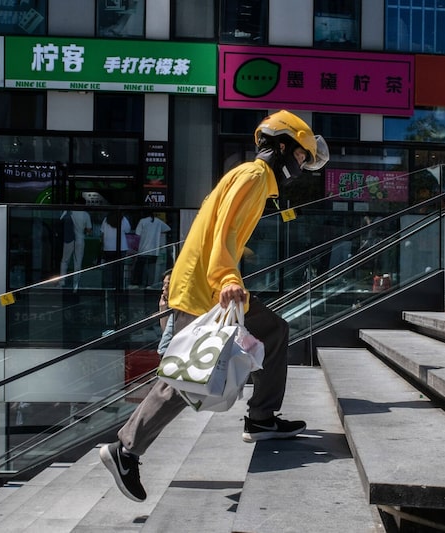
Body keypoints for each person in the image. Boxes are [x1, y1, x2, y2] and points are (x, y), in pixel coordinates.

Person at [100, 110, 330, 502]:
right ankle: (126, 450)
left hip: (206, 281)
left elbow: (221, 228)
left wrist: (234, 265)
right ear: (281, 147)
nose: (302, 166)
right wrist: (227, 277)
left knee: (273, 330)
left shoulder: (249, 177)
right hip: (208, 288)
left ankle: (261, 419)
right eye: (301, 157)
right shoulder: (256, 176)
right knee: (186, 377)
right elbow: (223, 230)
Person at [130, 211, 171, 289]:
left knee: (141, 268)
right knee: (151, 269)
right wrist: (158, 232)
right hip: (154, 250)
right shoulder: (158, 221)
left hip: (143, 249)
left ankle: (139, 284)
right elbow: (168, 228)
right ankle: (149, 285)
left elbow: (137, 233)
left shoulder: (142, 221)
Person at [59, 197, 93, 290]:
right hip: (80, 239)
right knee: (78, 262)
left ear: (74, 203)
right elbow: (89, 230)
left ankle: (62, 281)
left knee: (65, 260)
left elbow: (61, 220)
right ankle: (76, 284)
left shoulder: (68, 211)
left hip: (68, 239)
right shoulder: (86, 214)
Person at [101, 211, 131, 288]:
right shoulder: (123, 219)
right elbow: (128, 230)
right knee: (119, 269)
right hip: (121, 248)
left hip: (108, 248)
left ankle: (108, 288)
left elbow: (102, 233)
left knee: (108, 270)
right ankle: (119, 287)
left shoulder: (106, 219)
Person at [156, 269, 174, 357]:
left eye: (166, 284)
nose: (163, 288)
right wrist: (162, 309)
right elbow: (165, 332)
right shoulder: (171, 308)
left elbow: (163, 348)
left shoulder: (179, 309)